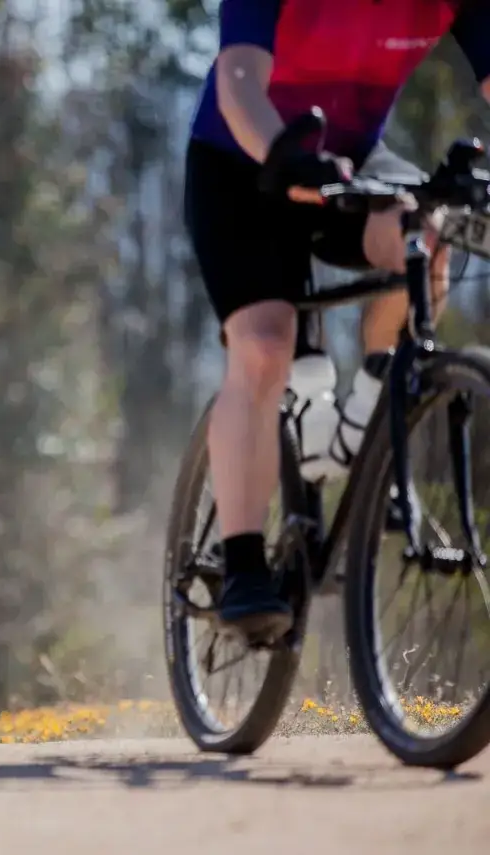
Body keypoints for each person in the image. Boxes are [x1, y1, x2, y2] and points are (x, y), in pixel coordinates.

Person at [185, 0, 490, 641]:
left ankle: (366, 429)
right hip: (242, 165)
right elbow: (238, 79)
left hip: (350, 159)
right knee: (266, 345)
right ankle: (242, 567)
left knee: (425, 236)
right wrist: (280, 155)